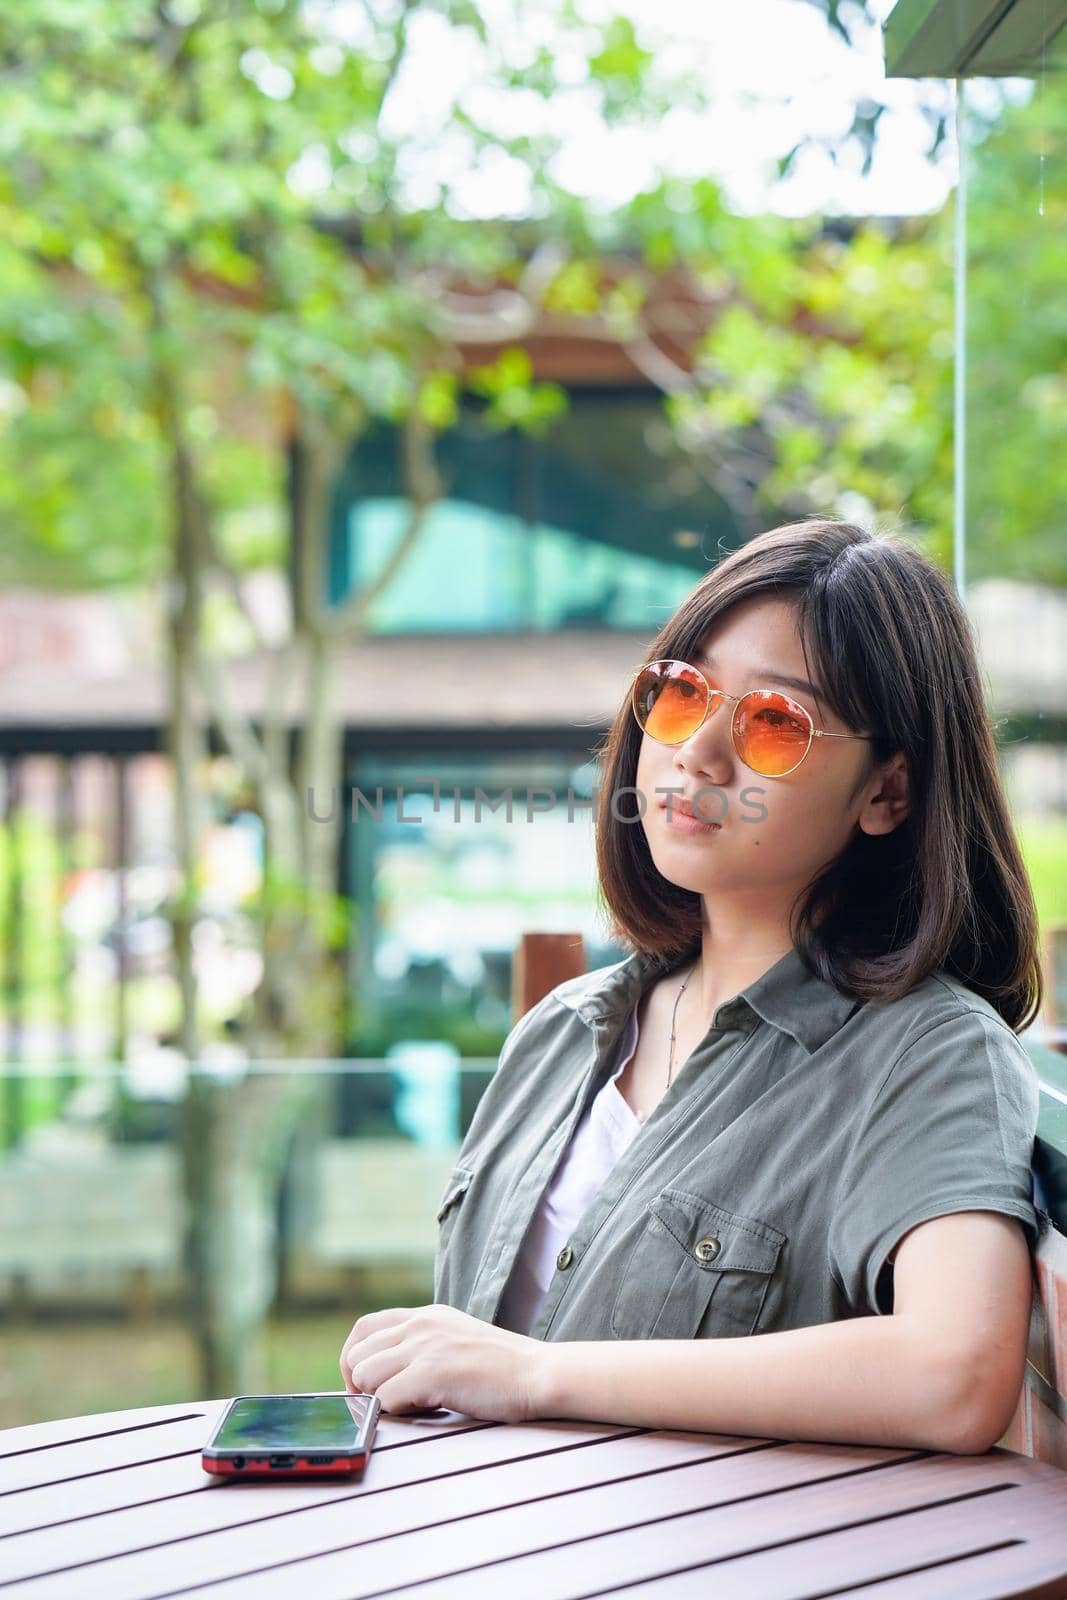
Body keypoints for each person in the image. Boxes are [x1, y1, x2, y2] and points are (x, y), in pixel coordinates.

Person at [340, 518, 1047, 1455]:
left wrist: (532, 1373)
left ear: (888, 792)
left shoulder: (929, 1054)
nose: (696, 754)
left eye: (771, 723)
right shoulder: (562, 1032)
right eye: (680, 694)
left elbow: (952, 1375)